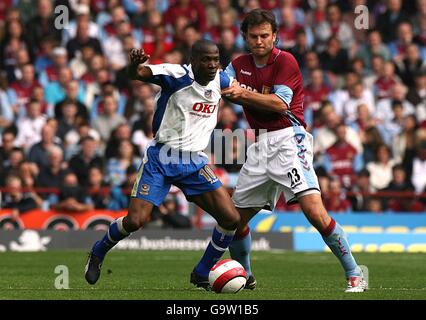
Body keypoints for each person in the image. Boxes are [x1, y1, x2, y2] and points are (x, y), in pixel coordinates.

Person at [194, 9, 368, 292]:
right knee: (235, 220)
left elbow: (279, 104)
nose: (260, 41)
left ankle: (355, 273)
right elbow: (217, 84)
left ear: (274, 36)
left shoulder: (286, 61)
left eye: (265, 35)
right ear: (245, 37)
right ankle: (246, 275)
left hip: (290, 139)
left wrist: (242, 93)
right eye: (254, 36)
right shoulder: (238, 64)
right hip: (260, 144)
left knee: (314, 212)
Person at [84, 40, 240, 287]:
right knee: (135, 221)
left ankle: (201, 272)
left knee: (231, 219)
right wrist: (134, 65)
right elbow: (138, 73)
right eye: (206, 60)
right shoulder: (175, 75)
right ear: (194, 60)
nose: (211, 65)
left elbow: (243, 94)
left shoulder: (221, 81)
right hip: (161, 158)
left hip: (194, 161)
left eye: (215, 59)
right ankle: (98, 251)